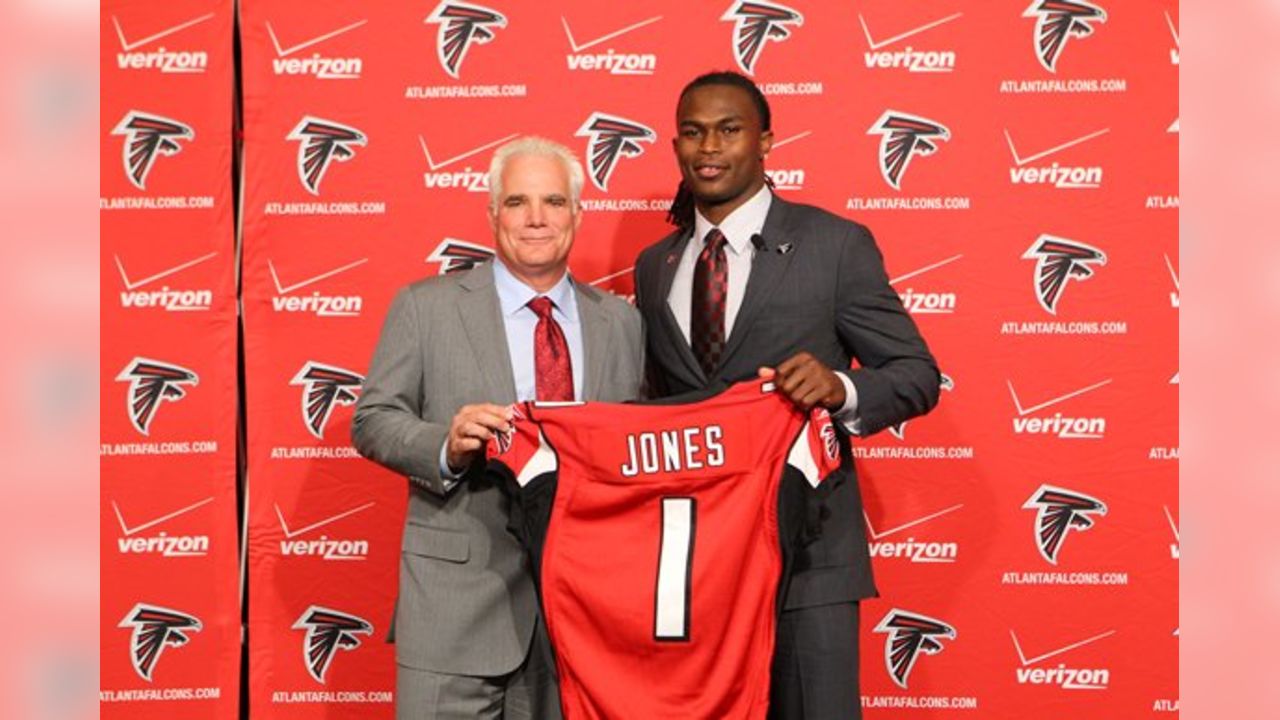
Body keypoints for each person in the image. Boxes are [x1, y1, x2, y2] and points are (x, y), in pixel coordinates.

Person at [633, 71, 941, 719]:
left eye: (729, 129)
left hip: (810, 555)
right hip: (697, 567)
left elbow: (916, 374)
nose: (708, 146)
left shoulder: (834, 246)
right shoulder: (655, 264)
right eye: (692, 132)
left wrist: (842, 388)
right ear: (675, 145)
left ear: (767, 140)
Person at [353, 136, 644, 719]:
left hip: (587, 619)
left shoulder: (621, 322)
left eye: (554, 202)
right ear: (492, 215)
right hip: (454, 617)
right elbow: (373, 419)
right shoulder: (425, 307)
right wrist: (446, 445)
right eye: (517, 202)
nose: (536, 219)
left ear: (577, 214)